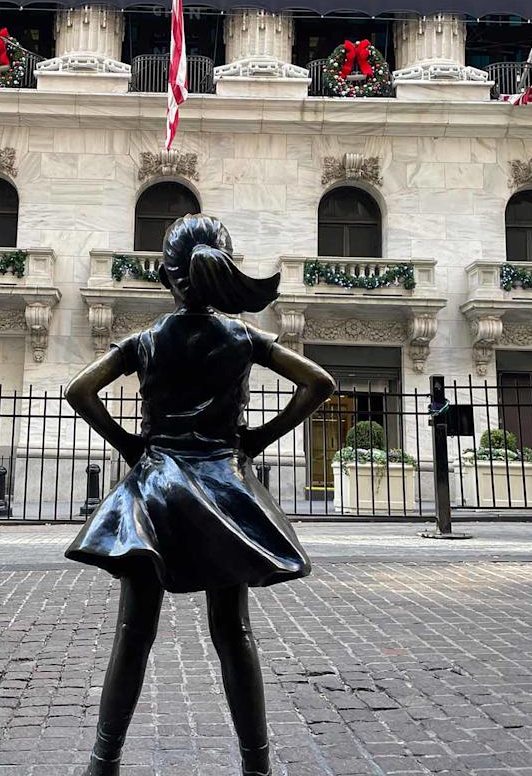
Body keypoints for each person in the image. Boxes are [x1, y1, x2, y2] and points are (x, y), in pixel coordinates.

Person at [64, 214, 336, 776]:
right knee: (233, 631)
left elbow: (79, 389)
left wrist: (129, 444)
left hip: (155, 489)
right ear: (224, 268)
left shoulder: (147, 339)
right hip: (222, 489)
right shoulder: (242, 337)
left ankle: (103, 762)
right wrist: (256, 438)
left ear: (168, 276)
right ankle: (255, 765)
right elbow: (319, 383)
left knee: (133, 633)